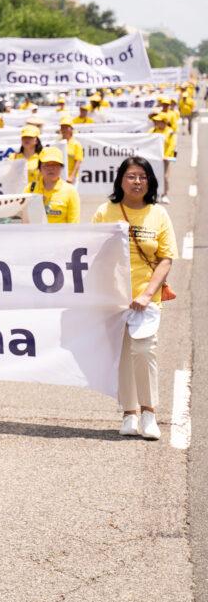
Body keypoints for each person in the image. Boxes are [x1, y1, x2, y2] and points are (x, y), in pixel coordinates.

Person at [93, 158, 176, 441]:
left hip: (146, 298)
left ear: (150, 182)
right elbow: (91, 251)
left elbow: (165, 258)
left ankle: (149, 412)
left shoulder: (158, 214)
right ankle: (129, 413)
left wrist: (147, 293)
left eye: (142, 176)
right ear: (120, 181)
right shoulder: (106, 211)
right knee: (123, 356)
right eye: (131, 176)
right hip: (113, 298)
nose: (137, 181)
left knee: (143, 351)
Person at [29, 147, 81, 223]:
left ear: (61, 167)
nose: (51, 168)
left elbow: (74, 225)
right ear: (39, 168)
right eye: (47, 165)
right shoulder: (30, 189)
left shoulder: (70, 191)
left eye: (55, 165)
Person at [149, 112, 175, 204]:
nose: (156, 122)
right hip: (154, 158)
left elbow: (172, 145)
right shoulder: (152, 130)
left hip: (165, 158)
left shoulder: (170, 131)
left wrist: (166, 155)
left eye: (158, 121)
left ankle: (164, 195)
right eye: (156, 121)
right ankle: (155, 195)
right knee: (153, 176)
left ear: (164, 122)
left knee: (165, 177)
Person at [58, 116, 83, 184]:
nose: (64, 129)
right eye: (62, 127)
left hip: (70, 178)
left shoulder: (76, 144)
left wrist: (72, 176)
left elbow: (78, 162)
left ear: (71, 129)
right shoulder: (57, 142)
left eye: (66, 127)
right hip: (59, 177)